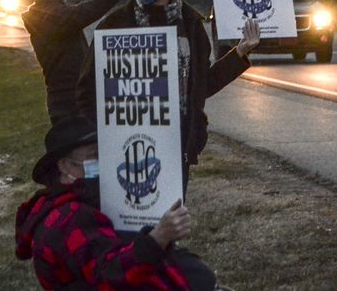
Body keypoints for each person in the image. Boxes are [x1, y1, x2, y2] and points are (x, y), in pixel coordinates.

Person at [77, 0, 260, 190]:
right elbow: (87, 88)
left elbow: (202, 85)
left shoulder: (191, 25)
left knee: (173, 218)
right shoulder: (114, 26)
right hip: (126, 145)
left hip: (177, 143)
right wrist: (100, 134)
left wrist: (239, 53)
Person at [15, 117, 215, 290]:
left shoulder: (65, 201)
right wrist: (157, 238)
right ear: (64, 165)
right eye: (94, 155)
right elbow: (112, 276)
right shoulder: (71, 216)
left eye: (103, 153)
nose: (102, 161)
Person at [22, 0, 130, 123]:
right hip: (72, 103)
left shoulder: (45, 15)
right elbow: (94, 7)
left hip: (63, 101)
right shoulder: (54, 18)